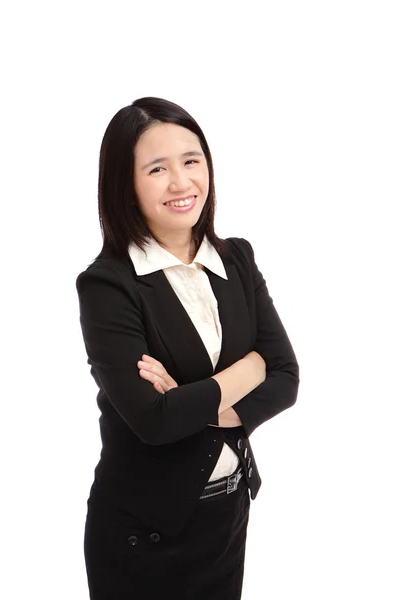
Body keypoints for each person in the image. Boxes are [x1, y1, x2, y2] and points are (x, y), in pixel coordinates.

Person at [75, 96, 300, 600]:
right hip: (143, 536)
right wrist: (247, 370)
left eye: (191, 160)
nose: (181, 182)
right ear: (126, 185)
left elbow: (285, 376)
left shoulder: (236, 259)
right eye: (157, 168)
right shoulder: (109, 285)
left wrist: (197, 403)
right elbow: (153, 420)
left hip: (226, 518)